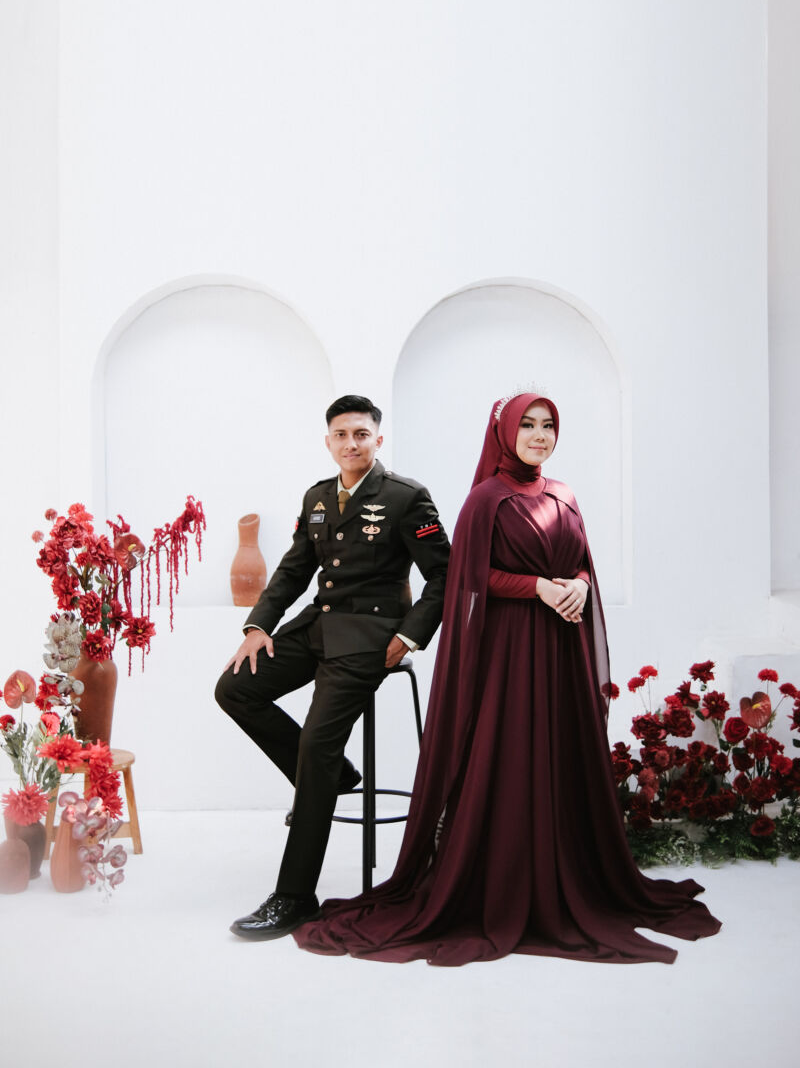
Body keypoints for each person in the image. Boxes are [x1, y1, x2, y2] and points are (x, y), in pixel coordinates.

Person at [294, 391, 721, 965]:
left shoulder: (564, 494)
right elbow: (468, 576)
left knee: (560, 750)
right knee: (514, 748)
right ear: (506, 432)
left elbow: (581, 561)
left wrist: (579, 586)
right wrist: (537, 587)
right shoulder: (485, 499)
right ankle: (508, 874)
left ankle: (567, 870)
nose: (540, 436)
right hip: (511, 647)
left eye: (548, 425)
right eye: (528, 425)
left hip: (561, 646)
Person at [215, 394, 450, 940]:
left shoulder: (406, 497)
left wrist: (410, 635)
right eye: (341, 435)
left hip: (370, 638)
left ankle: (295, 896)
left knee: (317, 744)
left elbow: (444, 573)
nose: (351, 444)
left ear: (378, 440)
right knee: (235, 689)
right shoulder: (318, 497)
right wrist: (258, 626)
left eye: (361, 434)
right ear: (328, 442)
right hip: (317, 626)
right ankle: (330, 776)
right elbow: (294, 569)